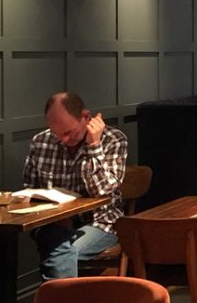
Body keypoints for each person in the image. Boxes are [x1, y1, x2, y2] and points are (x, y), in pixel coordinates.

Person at [23, 92, 127, 280]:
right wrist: (50, 214)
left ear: (86, 118)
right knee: (57, 244)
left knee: (59, 255)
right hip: (52, 222)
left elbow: (101, 192)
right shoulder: (40, 141)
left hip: (100, 222)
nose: (62, 139)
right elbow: (30, 189)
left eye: (68, 132)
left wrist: (93, 146)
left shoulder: (113, 140)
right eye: (55, 133)